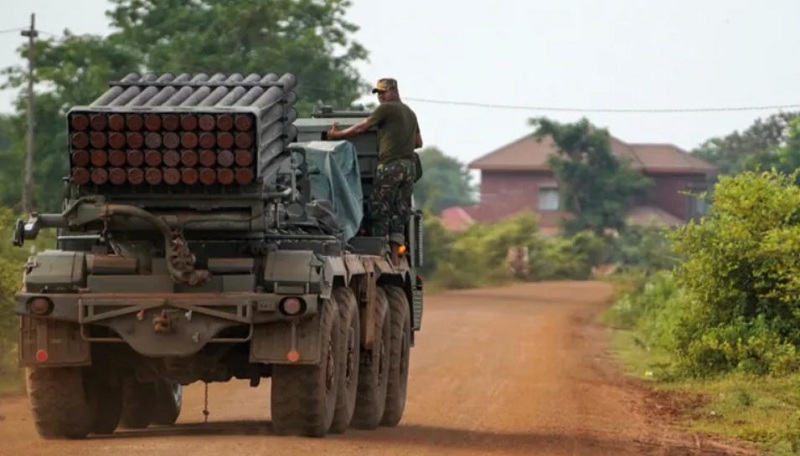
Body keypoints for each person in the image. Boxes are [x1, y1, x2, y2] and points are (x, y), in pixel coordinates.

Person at [326, 78, 423, 246]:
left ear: (394, 91)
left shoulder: (386, 109)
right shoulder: (410, 113)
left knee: (379, 208)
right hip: (408, 169)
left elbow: (361, 127)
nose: (380, 96)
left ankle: (379, 248)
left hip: (390, 166)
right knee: (399, 211)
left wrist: (337, 135)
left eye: (383, 92)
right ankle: (394, 254)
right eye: (378, 93)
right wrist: (399, 138)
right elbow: (418, 143)